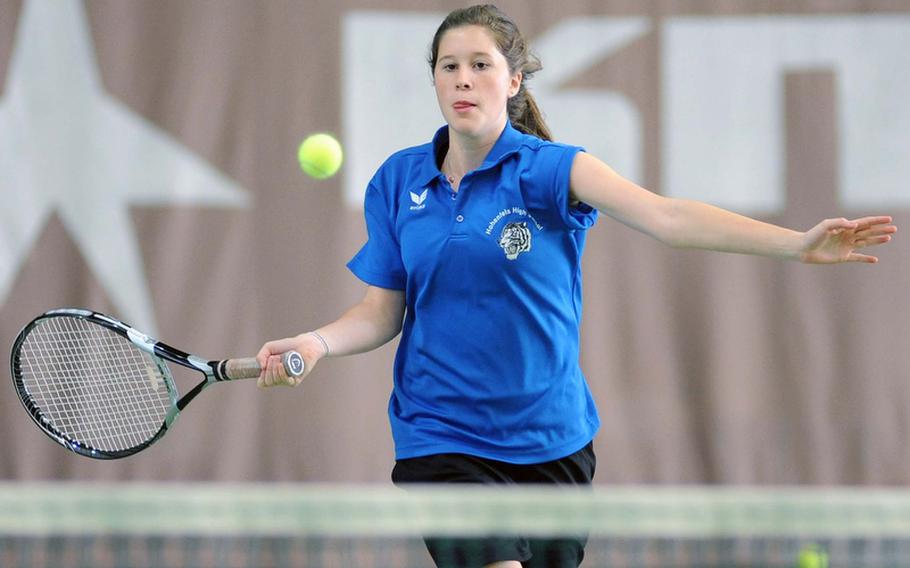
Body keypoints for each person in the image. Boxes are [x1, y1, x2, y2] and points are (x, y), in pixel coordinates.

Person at [255, 5, 897, 567]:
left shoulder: (550, 170)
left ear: (513, 81)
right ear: (434, 81)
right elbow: (380, 311)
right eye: (448, 67)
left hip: (551, 437)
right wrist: (316, 342)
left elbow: (667, 217)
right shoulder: (399, 182)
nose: (462, 79)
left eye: (480, 64)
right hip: (441, 434)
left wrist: (796, 243)